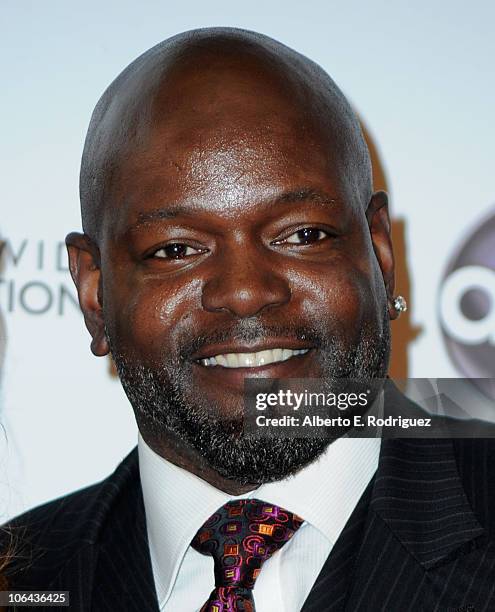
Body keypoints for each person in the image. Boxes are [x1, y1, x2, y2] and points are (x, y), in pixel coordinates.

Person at [2, 27, 495, 611]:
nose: (244, 292)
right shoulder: (24, 580)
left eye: (303, 235)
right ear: (93, 292)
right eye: (176, 249)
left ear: (380, 254)